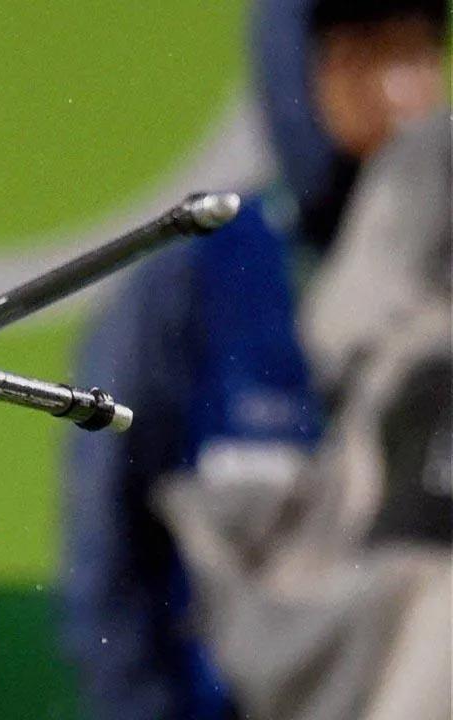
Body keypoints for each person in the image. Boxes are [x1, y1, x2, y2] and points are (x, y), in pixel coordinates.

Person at [58, 0, 449, 718]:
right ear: (291, 72)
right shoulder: (193, 283)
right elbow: (113, 567)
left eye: (417, 54)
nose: (401, 94)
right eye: (362, 57)